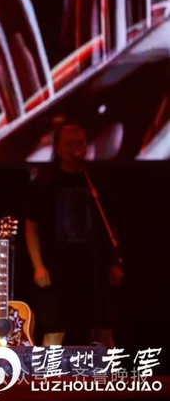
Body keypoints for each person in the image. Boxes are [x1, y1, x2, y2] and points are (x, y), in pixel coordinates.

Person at [25, 121, 123, 348]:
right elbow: (31, 227)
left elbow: (109, 224)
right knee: (55, 328)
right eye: (70, 144)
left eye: (80, 143)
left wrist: (114, 262)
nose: (76, 149)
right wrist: (38, 265)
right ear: (58, 148)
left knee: (103, 328)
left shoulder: (95, 180)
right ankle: (48, 370)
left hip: (94, 266)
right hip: (57, 267)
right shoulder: (45, 182)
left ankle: (105, 370)